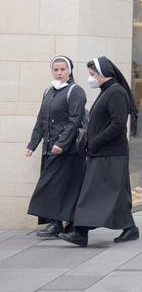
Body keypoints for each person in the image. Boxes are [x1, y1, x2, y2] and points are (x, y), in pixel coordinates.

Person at [59, 56, 140, 247]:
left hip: (109, 153)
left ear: (103, 74)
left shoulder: (116, 93)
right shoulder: (107, 91)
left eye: (93, 74)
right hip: (103, 152)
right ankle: (130, 228)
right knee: (116, 193)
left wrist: (95, 141)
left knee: (92, 193)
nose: (90, 78)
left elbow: (118, 125)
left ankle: (81, 232)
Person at [26, 56, 87, 239]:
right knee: (53, 188)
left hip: (66, 151)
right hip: (49, 149)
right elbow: (41, 120)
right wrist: (33, 144)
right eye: (56, 69)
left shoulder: (75, 91)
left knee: (57, 187)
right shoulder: (48, 91)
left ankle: (62, 224)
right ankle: (57, 224)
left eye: (63, 69)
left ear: (69, 71)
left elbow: (75, 121)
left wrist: (61, 143)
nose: (59, 73)